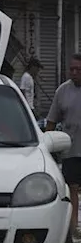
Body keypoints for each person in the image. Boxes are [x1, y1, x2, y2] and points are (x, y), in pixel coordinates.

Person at [47, 54, 82, 233]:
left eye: (78, 70)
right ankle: (74, 226)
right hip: (71, 148)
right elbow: (51, 121)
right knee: (72, 188)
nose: (74, 73)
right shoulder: (62, 91)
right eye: (72, 69)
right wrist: (47, 145)